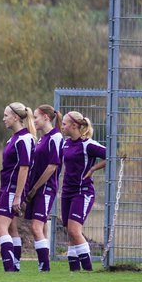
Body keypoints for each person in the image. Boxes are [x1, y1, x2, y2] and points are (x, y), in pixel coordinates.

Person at [59, 111, 106, 271]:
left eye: (64, 124)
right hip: (67, 192)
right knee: (69, 232)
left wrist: (93, 168)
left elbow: (111, 155)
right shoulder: (66, 143)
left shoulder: (88, 144)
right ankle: (74, 271)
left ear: (74, 126)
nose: (62, 127)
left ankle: (88, 269)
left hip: (83, 192)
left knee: (74, 230)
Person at [0, 102, 35, 272]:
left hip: (13, 190)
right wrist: (0, 192)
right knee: (11, 228)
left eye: (6, 115)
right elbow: (8, 170)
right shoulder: (13, 138)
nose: (3, 118)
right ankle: (15, 266)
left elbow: (24, 168)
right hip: (7, 189)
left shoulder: (24, 139)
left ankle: (9, 267)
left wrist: (18, 196)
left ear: (16, 117)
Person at [23, 104, 64, 272]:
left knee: (36, 227)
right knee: (42, 226)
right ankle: (45, 263)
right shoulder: (42, 138)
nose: (34, 121)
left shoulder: (56, 137)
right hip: (36, 189)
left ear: (46, 117)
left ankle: (44, 267)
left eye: (36, 117)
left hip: (45, 189)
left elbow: (52, 167)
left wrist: (34, 189)